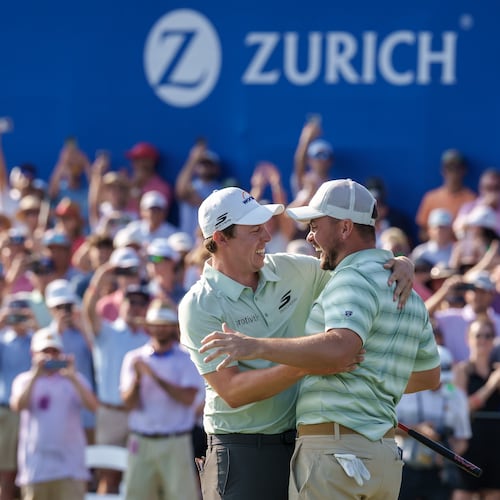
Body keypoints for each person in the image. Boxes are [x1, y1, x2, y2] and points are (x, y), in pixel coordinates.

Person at [197, 179, 441, 500]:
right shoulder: (406, 291)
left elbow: (340, 348)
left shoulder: (348, 279)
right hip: (383, 458)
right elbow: (428, 375)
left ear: (345, 227)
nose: (309, 236)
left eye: (315, 225)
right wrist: (367, 380)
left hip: (334, 454)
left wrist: (254, 345)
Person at [120, 304, 204, 500]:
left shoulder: (185, 359)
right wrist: (138, 380)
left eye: (165, 324)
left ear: (173, 327)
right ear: (148, 327)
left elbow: (188, 398)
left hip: (176, 441)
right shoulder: (134, 358)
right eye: (156, 324)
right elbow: (129, 403)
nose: (160, 329)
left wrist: (155, 377)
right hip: (141, 441)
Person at [10, 327, 97, 500]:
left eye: (54, 351)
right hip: (36, 469)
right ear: (33, 353)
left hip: (70, 468)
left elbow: (93, 406)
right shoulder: (24, 380)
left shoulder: (74, 379)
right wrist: (36, 374)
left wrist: (72, 377)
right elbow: (18, 405)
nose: (50, 356)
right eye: (45, 352)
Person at [83, 278, 150, 495]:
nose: (136, 307)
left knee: (140, 477)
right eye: (131, 302)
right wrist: (102, 274)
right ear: (121, 304)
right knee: (108, 477)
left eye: (141, 303)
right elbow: (88, 310)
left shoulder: (151, 339)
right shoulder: (106, 332)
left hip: (140, 414)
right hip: (110, 413)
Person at [396, 345, 471, 500]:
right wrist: (418, 430)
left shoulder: (456, 396)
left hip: (438, 472)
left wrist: (447, 454)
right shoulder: (404, 391)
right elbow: (388, 428)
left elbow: (462, 439)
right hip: (403, 468)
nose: (440, 384)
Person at [452, 315, 500, 499]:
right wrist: (490, 385)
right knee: (464, 493)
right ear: (468, 339)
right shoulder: (462, 371)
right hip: (470, 443)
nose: (483, 340)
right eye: (478, 335)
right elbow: (463, 408)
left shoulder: (496, 370)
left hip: (495, 445)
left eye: (488, 336)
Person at [0, 296, 37, 500]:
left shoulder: (37, 341)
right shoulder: (2, 341)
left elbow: (50, 349)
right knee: (6, 476)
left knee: (30, 474)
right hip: (7, 413)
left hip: (34, 413)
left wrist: (33, 322)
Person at [415, 149, 476, 242]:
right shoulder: (431, 197)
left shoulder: (471, 199)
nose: (453, 173)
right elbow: (422, 232)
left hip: (461, 251)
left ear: (464, 170)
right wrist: (439, 236)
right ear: (443, 170)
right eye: (449, 168)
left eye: (457, 168)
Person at [175, 139, 223, 240]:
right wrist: (193, 160)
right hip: (186, 243)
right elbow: (181, 191)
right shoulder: (191, 186)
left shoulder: (221, 190)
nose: (205, 167)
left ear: (216, 168)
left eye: (209, 164)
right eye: (202, 164)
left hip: (209, 242)